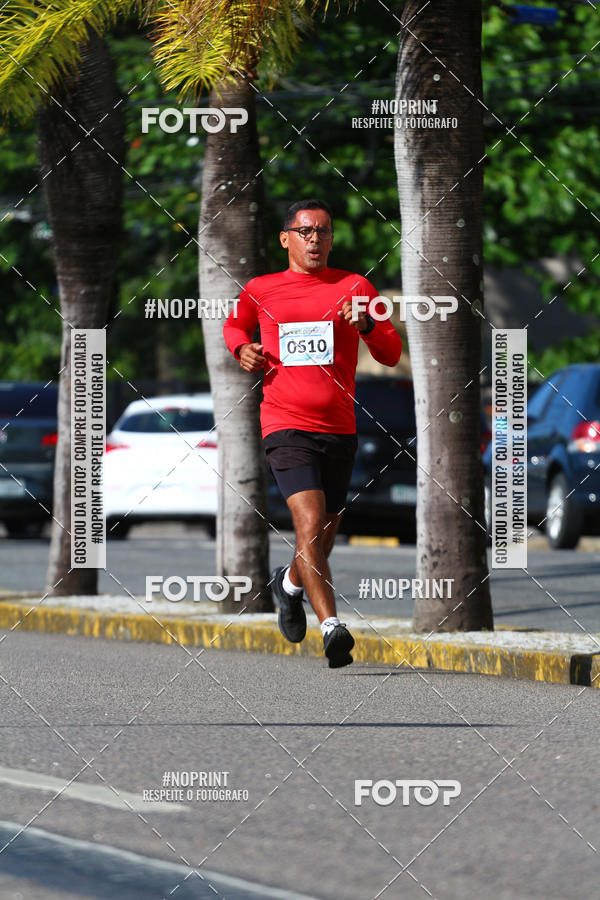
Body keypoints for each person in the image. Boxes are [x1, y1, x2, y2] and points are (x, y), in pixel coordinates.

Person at [223, 199, 402, 668]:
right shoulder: (262, 288)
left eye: (323, 231)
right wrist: (242, 348)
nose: (315, 240)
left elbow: (389, 349)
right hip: (284, 423)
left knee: (322, 536)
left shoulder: (355, 286)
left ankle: (288, 586)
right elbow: (234, 325)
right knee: (308, 523)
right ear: (286, 238)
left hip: (339, 428)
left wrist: (364, 323)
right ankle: (332, 626)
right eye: (305, 231)